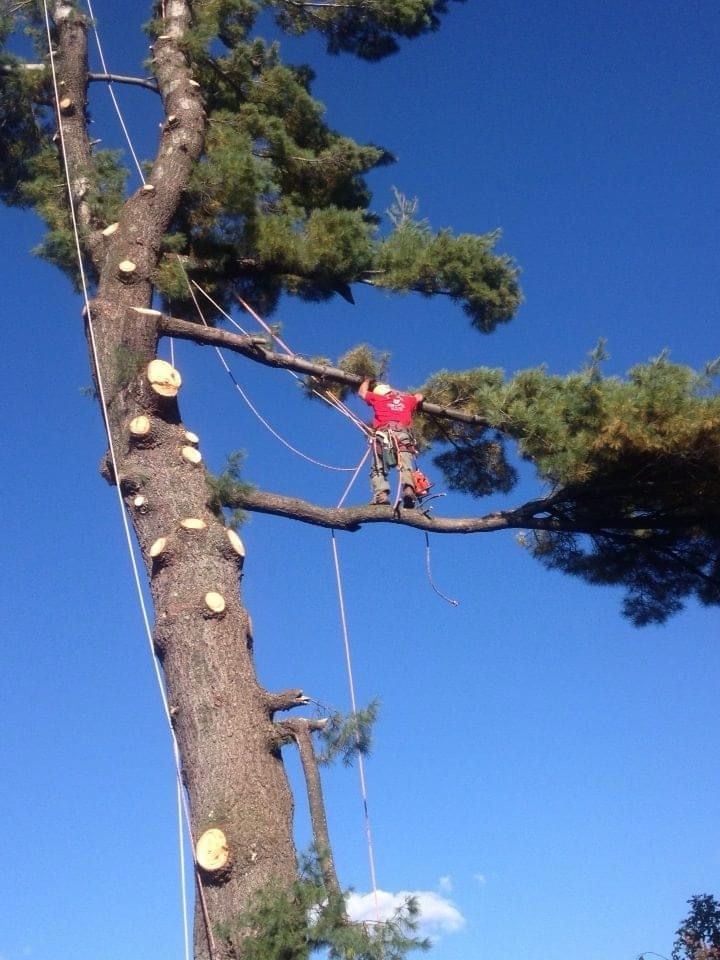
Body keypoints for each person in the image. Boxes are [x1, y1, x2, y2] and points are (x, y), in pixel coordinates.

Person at [358, 378, 424, 507]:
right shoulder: (407, 400)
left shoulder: (378, 398)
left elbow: (362, 392)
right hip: (402, 435)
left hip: (383, 436)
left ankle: (381, 494)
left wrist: (366, 380)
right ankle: (409, 489)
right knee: (405, 463)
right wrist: (399, 393)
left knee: (378, 467)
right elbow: (420, 396)